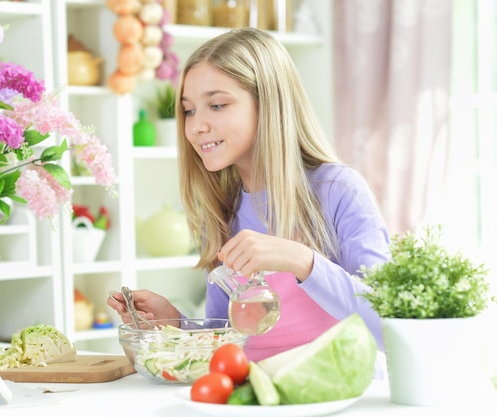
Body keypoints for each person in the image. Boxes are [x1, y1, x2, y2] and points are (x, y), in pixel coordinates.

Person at [107, 27, 391, 363]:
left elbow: (390, 326)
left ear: (268, 104)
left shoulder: (338, 190)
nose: (196, 126)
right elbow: (230, 338)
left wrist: (303, 261)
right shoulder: (220, 209)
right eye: (188, 110)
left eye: (216, 104)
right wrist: (176, 323)